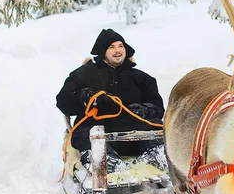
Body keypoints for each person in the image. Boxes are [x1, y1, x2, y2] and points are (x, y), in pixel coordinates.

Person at [56, 28, 167, 174]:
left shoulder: (142, 78)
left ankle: (154, 157)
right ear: (102, 51)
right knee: (87, 135)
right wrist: (84, 97)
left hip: (134, 134)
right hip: (97, 131)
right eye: (112, 47)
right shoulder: (82, 74)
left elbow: (158, 107)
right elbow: (63, 102)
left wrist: (146, 109)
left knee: (158, 128)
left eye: (121, 46)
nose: (118, 50)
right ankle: (109, 166)